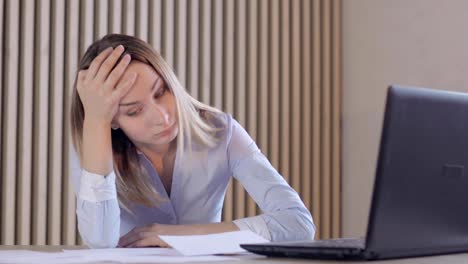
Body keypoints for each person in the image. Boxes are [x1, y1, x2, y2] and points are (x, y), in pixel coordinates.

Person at [70, 34, 315, 248]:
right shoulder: (94, 147)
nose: (162, 117)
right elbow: (99, 240)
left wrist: (182, 235)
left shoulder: (221, 133)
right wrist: (95, 120)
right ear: (111, 120)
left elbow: (298, 223)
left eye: (161, 92)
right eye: (134, 111)